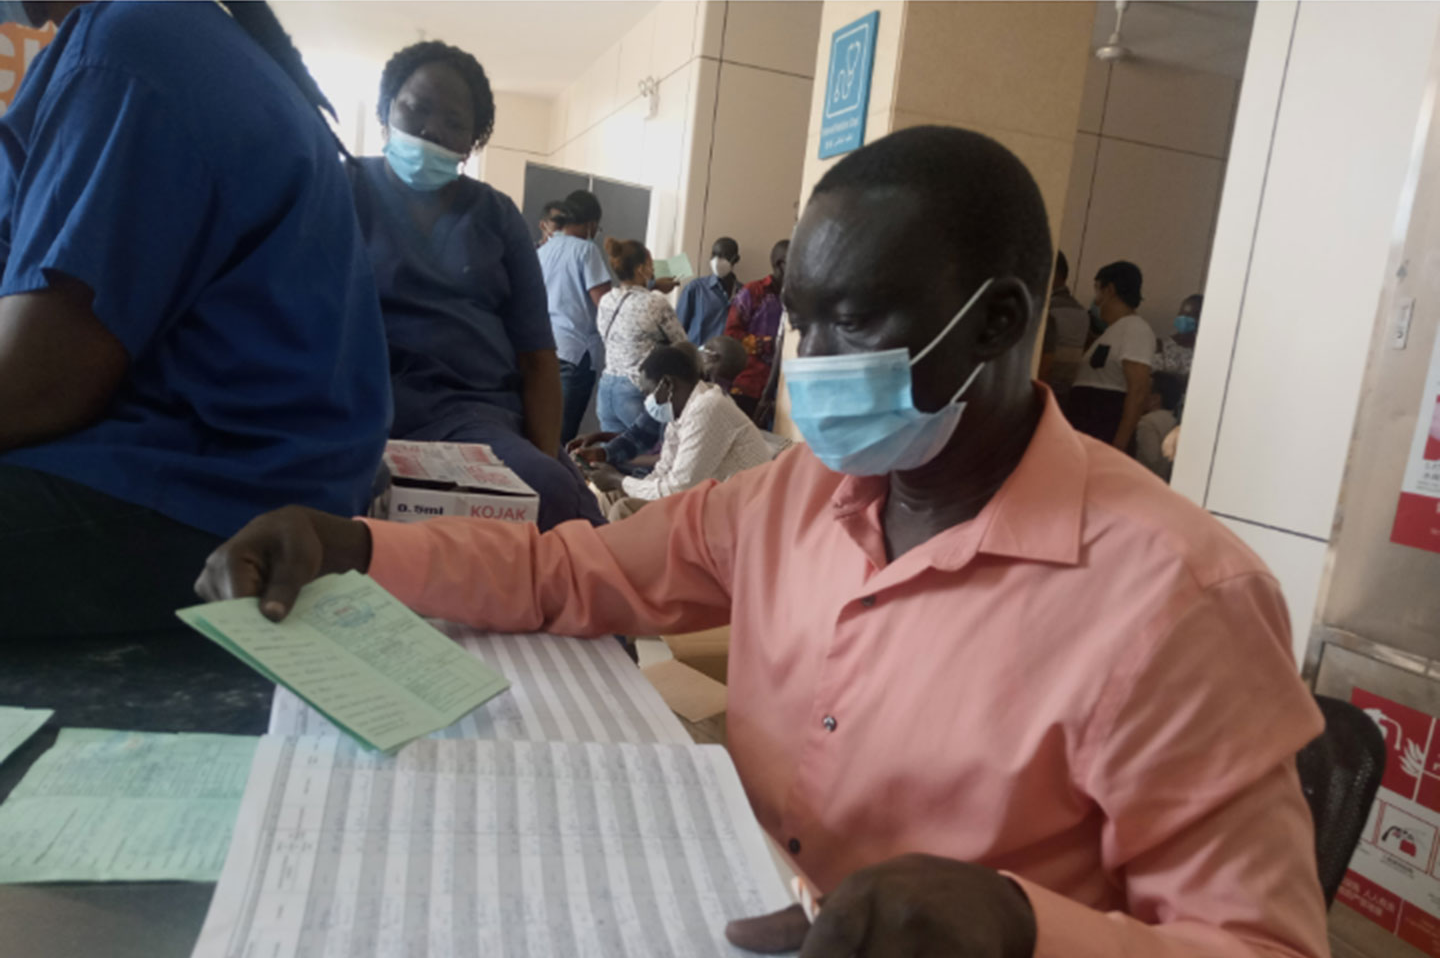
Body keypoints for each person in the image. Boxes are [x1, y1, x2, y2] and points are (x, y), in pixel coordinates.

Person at [199, 126, 1328, 958]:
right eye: (805, 318)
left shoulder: (1174, 599)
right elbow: (572, 572)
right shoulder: (803, 494)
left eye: (859, 321)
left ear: (995, 322)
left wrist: (1026, 929)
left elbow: (1266, 947)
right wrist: (356, 547)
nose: (814, 361)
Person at [0, 0, 391, 641]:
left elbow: (42, 381)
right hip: (258, 479)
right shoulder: (166, 34)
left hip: (204, 500)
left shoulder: (132, 41)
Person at [348, 41, 602, 531]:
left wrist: (547, 458)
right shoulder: (341, 188)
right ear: (384, 111)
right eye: (415, 109)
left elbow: (538, 357)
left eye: (454, 121)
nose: (430, 129)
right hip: (359, 409)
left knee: (558, 503)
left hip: (474, 421)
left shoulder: (496, 215)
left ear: (472, 142)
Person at [587, 344, 774, 521]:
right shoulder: (680, 412)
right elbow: (663, 470)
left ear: (667, 384)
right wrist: (617, 482)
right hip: (707, 498)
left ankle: (614, 553)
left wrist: (619, 480)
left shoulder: (708, 407)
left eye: (649, 392)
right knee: (610, 496)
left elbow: (679, 488)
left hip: (739, 509)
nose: (647, 399)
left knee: (625, 510)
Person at [569, 335, 751, 475]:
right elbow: (641, 434)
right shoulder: (674, 400)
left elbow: (676, 472)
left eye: (705, 350)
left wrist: (617, 474)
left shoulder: (708, 406)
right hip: (661, 477)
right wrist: (603, 452)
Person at [538, 189, 612, 444]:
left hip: (543, 350)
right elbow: (605, 303)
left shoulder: (543, 250)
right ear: (591, 223)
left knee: (541, 432)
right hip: (574, 353)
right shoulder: (586, 251)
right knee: (562, 438)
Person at [595, 238, 688, 432]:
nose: (653, 270)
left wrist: (652, 285)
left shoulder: (606, 300)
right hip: (635, 390)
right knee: (649, 456)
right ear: (640, 269)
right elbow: (682, 346)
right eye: (650, 265)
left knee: (612, 455)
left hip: (607, 388)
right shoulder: (655, 303)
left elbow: (630, 299)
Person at [1066, 260, 1153, 450]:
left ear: (1109, 290)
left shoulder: (1135, 329)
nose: (1095, 300)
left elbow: (1138, 391)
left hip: (1105, 425)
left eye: (1097, 289)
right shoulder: (1112, 331)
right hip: (1087, 422)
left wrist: (1119, 444)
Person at [726, 240, 789, 420]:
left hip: (783, 392)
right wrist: (770, 345)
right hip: (748, 386)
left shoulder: (797, 298)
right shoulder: (753, 292)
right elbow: (731, 336)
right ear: (780, 264)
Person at [1037, 250, 1089, 401]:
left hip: (1044, 390)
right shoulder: (1082, 312)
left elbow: (1043, 363)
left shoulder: (1048, 310)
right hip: (1067, 394)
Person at [677, 237, 741, 346]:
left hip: (730, 358)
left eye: (723, 256)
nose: (716, 260)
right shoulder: (696, 289)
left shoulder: (744, 293)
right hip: (698, 358)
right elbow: (678, 329)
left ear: (735, 259)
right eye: (714, 255)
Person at [1134, 374, 1181, 480]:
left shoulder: (1147, 421)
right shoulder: (1174, 420)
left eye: (1144, 391)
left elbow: (1150, 459)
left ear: (1155, 398)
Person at [1155, 292, 1202, 377]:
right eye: (1181, 313)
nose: (1183, 318)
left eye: (1190, 315)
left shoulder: (1202, 352)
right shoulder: (1160, 345)